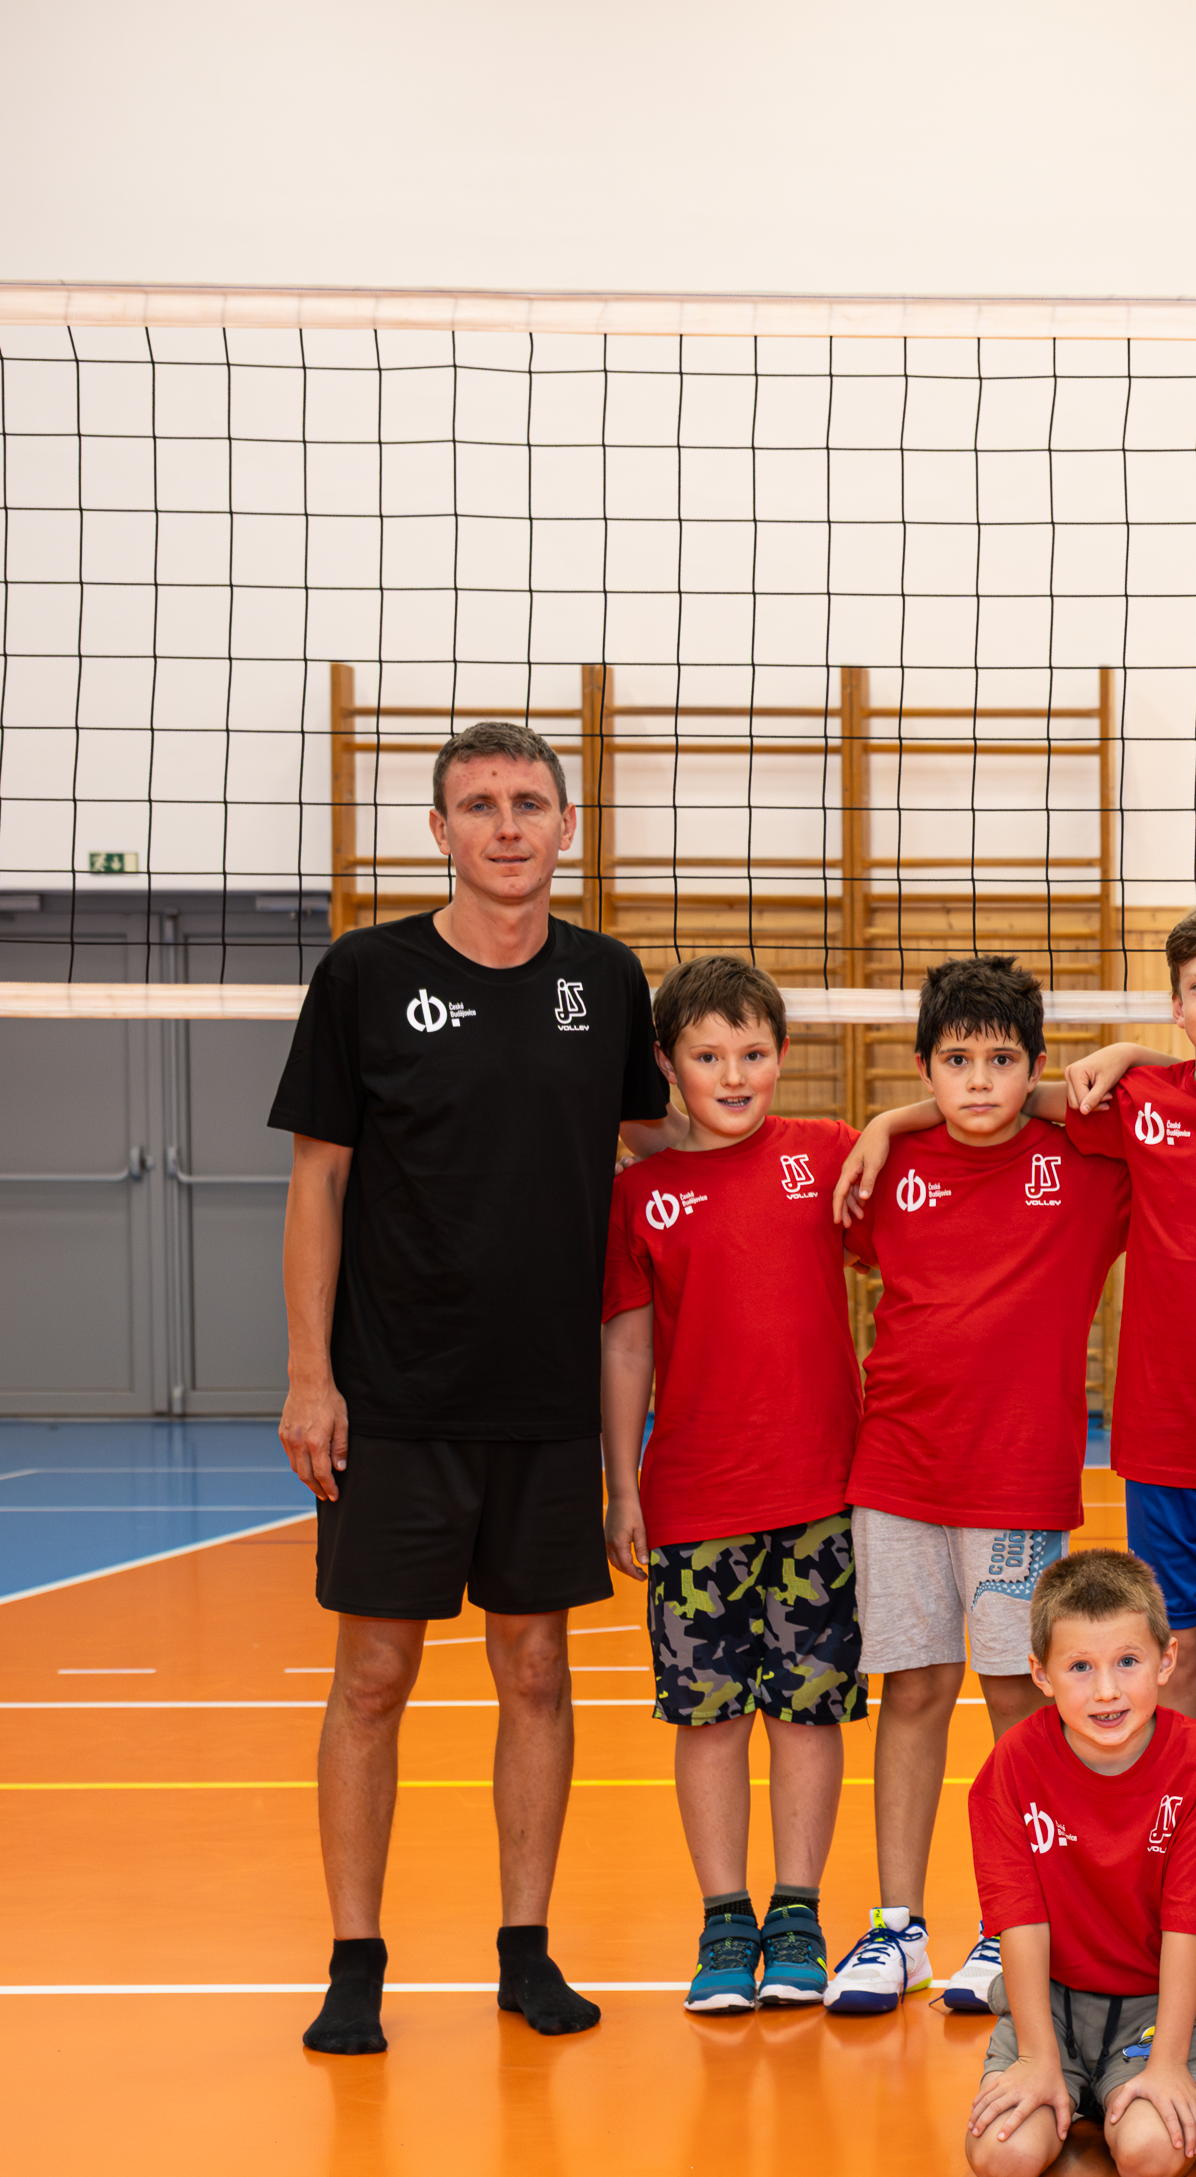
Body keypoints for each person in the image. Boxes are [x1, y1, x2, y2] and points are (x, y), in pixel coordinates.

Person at [271, 717, 671, 2056]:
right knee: (372, 1677)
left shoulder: (606, 981)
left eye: (528, 802)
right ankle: (355, 1963)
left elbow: (661, 1142)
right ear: (438, 831)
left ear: (567, 826)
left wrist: (860, 1138)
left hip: (546, 1397)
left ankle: (525, 1950)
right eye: (480, 804)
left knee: (538, 1670)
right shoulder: (366, 974)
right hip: (392, 1395)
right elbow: (318, 1179)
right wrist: (309, 1375)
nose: (507, 826)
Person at [850, 898, 1196, 1708]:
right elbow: (1002, 1095)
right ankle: (1182, 1790)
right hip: (1164, 1442)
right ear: (1176, 1004)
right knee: (1178, 1648)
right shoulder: (1141, 1105)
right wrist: (890, 1122)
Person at [826, 955, 1128, 2016]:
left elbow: (1158, 1092)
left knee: (1016, 1698)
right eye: (956, 1062)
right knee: (911, 1691)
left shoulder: (1084, 1164)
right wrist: (892, 1127)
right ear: (925, 1067)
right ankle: (897, 1927)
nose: (980, 1081)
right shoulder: (887, 1174)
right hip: (898, 1469)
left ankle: (1014, 1924)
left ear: (1035, 1066)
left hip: (1017, 1481)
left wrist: (898, 1112)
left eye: (1003, 1061)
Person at [597, 955, 865, 2012]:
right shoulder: (641, 1194)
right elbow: (626, 1345)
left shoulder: (826, 1153)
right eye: (708, 1057)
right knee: (706, 1718)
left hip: (820, 1493)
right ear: (668, 1066)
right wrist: (623, 1486)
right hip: (694, 1498)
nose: (735, 1074)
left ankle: (797, 1913)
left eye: (753, 1053)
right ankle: (723, 1920)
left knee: (807, 1710)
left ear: (783, 1054)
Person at [962, 1549, 1196, 2177]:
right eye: (1080, 1667)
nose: (1107, 1691)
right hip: (1050, 2005)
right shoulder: (1013, 1765)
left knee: (1149, 2158)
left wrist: (1168, 2063)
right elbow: (1020, 1922)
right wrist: (1036, 2057)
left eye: (1128, 1662)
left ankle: (1123, 2087)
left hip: (1151, 2006)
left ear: (1166, 1660)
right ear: (1041, 1673)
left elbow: (1189, 1922)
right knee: (1002, 2163)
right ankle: (1063, 2082)